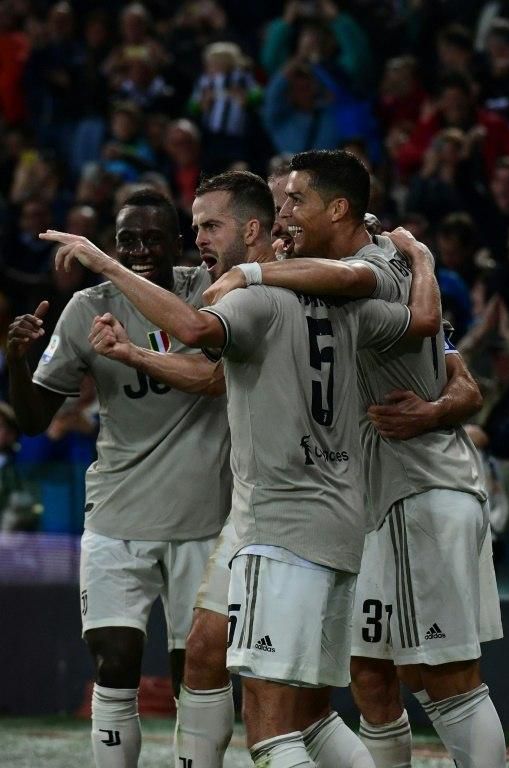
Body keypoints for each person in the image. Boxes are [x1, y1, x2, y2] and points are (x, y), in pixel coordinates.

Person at [41, 168, 440, 768]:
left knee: (273, 723)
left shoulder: (255, 296)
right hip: (313, 510)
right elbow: (421, 321)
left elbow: (204, 347)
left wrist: (114, 280)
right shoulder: (343, 290)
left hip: (282, 520)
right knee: (227, 666)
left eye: (209, 225)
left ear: (252, 228)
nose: (198, 238)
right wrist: (419, 263)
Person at [206, 151, 506, 768]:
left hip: (417, 487)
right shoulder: (375, 262)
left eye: (295, 201)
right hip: (376, 499)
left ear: (337, 208)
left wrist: (251, 276)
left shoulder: (376, 265)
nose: (283, 213)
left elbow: (428, 334)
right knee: (371, 669)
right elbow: (454, 368)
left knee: (446, 677)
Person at [7, 189, 231, 768]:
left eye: (154, 237)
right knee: (113, 656)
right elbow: (34, 421)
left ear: (179, 242)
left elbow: (219, 373)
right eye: (127, 239)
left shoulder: (211, 296)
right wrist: (16, 361)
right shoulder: (87, 308)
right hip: (117, 511)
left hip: (205, 516)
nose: (139, 250)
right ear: (113, 242)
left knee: (198, 671)